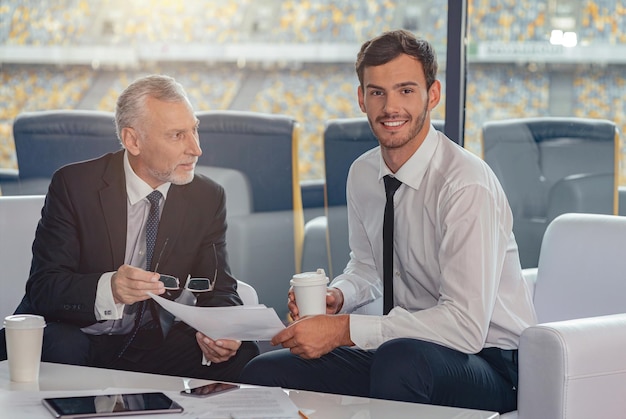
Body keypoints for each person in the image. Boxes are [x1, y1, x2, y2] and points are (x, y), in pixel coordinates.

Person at [240, 30, 537, 413]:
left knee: (401, 364)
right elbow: (366, 266)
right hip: (403, 349)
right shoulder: (363, 173)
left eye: (406, 90)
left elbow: (465, 327)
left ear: (433, 95)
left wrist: (344, 331)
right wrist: (339, 297)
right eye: (377, 92)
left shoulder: (465, 184)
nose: (390, 107)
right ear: (361, 98)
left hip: (491, 362)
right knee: (264, 372)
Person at [0, 74, 259, 381]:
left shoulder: (207, 196)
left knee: (243, 353)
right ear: (133, 141)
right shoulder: (74, 185)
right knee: (62, 347)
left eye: (194, 130)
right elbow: (44, 289)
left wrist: (220, 332)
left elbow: (218, 287)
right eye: (177, 135)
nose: (196, 149)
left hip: (147, 345)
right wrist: (111, 289)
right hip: (76, 333)